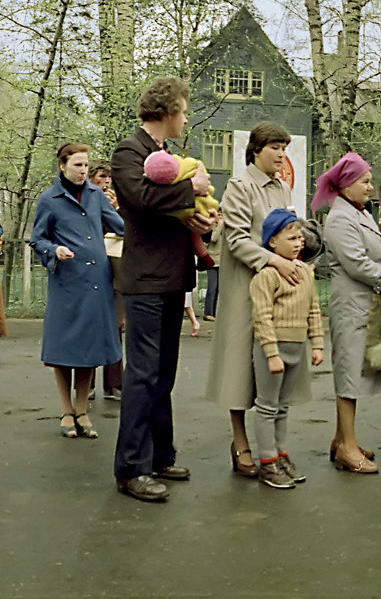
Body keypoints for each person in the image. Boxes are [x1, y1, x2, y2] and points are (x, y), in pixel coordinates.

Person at [111, 76, 213, 502]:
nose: (185, 118)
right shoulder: (128, 152)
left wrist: (195, 218)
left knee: (163, 373)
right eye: (184, 111)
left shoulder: (164, 155)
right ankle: (131, 469)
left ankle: (160, 455)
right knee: (142, 374)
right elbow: (141, 200)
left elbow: (166, 207)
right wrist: (192, 190)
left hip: (172, 277)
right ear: (168, 111)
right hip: (145, 280)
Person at [206, 122, 300, 480]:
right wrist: (274, 259)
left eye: (284, 148)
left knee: (271, 368)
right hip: (244, 287)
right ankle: (241, 441)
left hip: (276, 293)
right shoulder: (240, 186)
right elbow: (237, 240)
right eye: (274, 147)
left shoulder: (282, 188)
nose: (280, 154)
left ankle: (273, 448)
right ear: (256, 149)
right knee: (240, 368)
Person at [31, 142, 124, 439]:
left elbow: (119, 226)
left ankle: (82, 411)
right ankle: (65, 411)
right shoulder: (50, 199)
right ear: (62, 166)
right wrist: (54, 250)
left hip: (97, 283)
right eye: (77, 165)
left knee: (89, 350)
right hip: (66, 283)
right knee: (63, 350)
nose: (83, 171)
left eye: (86, 165)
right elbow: (37, 239)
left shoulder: (98, 196)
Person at [319, 152, 381, 474]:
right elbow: (357, 264)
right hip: (351, 308)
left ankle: (341, 439)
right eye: (365, 181)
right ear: (347, 184)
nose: (371, 187)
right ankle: (348, 447)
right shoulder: (340, 219)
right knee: (349, 376)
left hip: (364, 305)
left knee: (353, 373)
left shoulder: (359, 213)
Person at [249, 209, 325, 488]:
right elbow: (262, 316)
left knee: (283, 407)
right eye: (290, 238)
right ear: (272, 243)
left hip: (297, 348)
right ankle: (267, 462)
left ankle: (281, 454)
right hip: (274, 351)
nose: (297, 243)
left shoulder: (305, 272)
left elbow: (314, 310)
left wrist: (317, 344)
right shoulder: (266, 277)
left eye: (299, 239)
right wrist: (270, 353)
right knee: (267, 407)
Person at [88, 159, 123, 399]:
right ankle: (85, 384)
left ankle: (114, 384)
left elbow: (126, 229)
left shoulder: (119, 203)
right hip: (92, 270)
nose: (106, 181)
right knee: (89, 326)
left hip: (116, 270)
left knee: (115, 326)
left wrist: (116, 210)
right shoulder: (85, 202)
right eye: (101, 176)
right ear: (91, 178)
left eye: (109, 177)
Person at [202, 222, 222, 321]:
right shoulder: (211, 226)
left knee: (218, 288)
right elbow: (213, 239)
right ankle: (208, 312)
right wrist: (219, 226)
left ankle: (214, 313)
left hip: (222, 261)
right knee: (212, 287)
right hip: (213, 260)